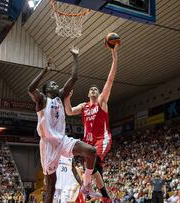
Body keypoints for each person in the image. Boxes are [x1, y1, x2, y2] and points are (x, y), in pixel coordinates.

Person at [28, 47, 101, 203]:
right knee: (51, 187)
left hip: (62, 140)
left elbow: (74, 77)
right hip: (48, 145)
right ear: (46, 90)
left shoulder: (60, 96)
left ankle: (87, 184)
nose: (56, 85)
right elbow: (30, 89)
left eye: (56, 84)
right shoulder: (42, 100)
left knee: (91, 151)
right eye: (52, 84)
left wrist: (75, 57)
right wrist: (44, 70)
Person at [64, 44, 119, 203]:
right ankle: (106, 198)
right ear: (88, 94)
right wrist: (67, 97)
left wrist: (114, 57)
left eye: (96, 89)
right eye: (92, 89)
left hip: (102, 139)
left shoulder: (101, 102)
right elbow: (68, 111)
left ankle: (91, 189)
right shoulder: (83, 106)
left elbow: (110, 80)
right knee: (96, 171)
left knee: (92, 167)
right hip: (88, 141)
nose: (94, 90)